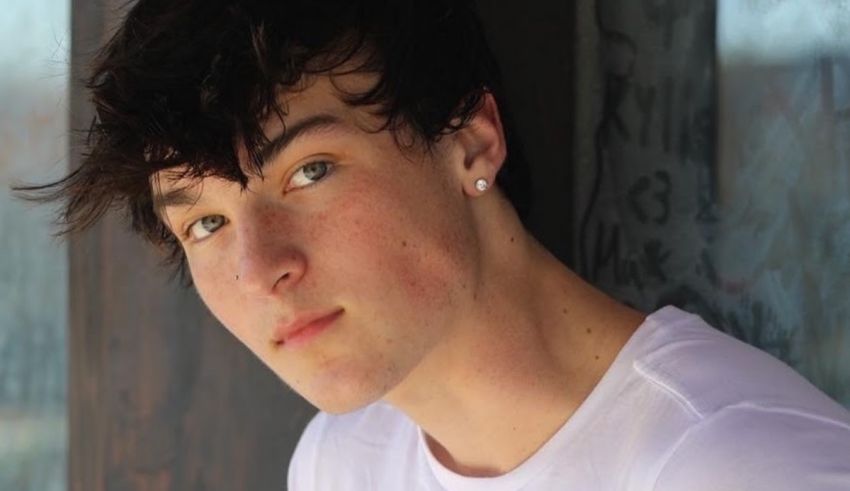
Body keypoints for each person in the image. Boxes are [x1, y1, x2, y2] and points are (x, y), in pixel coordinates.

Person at [21, 0, 850, 489]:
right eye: (204, 221)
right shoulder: (341, 462)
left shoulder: (737, 463)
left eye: (310, 170)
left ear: (473, 141)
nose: (259, 266)